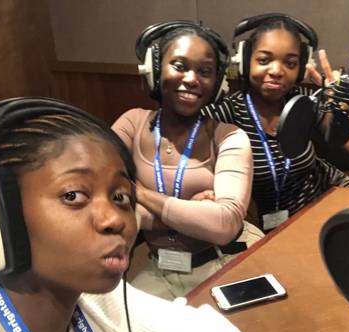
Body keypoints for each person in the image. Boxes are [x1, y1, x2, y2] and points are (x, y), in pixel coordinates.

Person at [0, 97, 246, 332]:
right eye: (73, 195)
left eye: (121, 197)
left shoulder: (103, 305)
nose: (115, 219)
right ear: (0, 217)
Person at [112, 22, 262, 300]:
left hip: (224, 261)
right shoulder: (131, 124)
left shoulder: (230, 137)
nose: (192, 79)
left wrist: (140, 194)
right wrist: (190, 213)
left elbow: (224, 224)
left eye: (205, 71)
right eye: (180, 66)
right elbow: (108, 207)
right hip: (156, 267)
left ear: (217, 82)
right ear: (155, 71)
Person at [202, 14, 349, 232]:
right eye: (264, 60)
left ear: (300, 69)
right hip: (272, 228)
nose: (277, 71)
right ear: (245, 61)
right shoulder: (227, 112)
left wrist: (344, 103)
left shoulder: (305, 103)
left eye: (290, 63)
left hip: (330, 199)